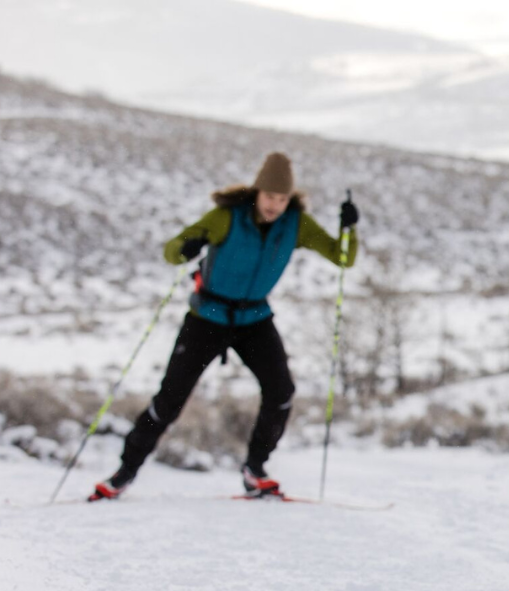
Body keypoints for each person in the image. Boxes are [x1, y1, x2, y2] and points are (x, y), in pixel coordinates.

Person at [89, 152, 359, 501]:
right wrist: (188, 247)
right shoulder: (226, 217)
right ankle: (123, 473)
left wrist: (349, 228)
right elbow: (171, 251)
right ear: (257, 192)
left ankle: (255, 470)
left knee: (281, 392)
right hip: (207, 318)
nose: (275, 205)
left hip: (255, 319)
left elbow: (342, 257)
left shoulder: (296, 224)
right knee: (170, 399)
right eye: (269, 197)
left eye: (282, 199)